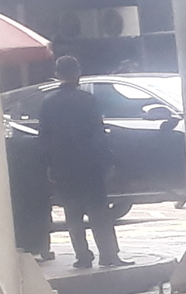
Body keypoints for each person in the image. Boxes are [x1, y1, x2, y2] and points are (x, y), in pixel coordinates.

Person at [35, 56, 121, 269]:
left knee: (72, 214)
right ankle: (108, 255)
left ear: (57, 74)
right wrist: (107, 160)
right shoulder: (88, 100)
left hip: (63, 165)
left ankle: (82, 256)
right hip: (90, 164)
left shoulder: (48, 103)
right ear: (78, 72)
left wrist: (48, 165)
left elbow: (44, 137)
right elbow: (98, 133)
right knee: (99, 212)